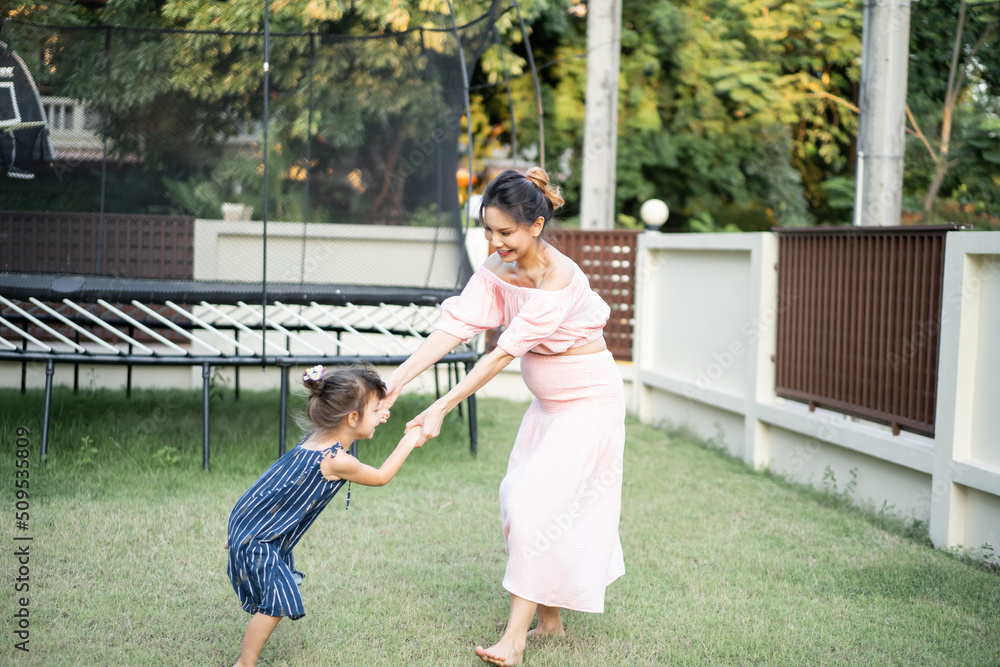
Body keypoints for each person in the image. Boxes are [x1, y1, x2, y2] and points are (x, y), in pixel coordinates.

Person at [381, 167, 626, 666]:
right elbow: (455, 329)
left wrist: (440, 408)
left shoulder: (559, 280)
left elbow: (498, 355)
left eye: (505, 232)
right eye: (488, 230)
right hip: (549, 408)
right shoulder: (496, 267)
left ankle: (513, 642)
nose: (495, 242)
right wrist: (397, 381)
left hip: (588, 405)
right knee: (530, 502)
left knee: (531, 501)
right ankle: (550, 622)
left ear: (537, 225)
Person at [226, 363, 422, 667]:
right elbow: (382, 476)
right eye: (374, 412)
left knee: (274, 593)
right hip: (260, 539)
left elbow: (268, 484)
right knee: (277, 601)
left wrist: (371, 418)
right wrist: (409, 441)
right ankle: (245, 663)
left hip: (252, 526)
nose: (380, 417)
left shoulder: (317, 439)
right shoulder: (336, 460)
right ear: (352, 418)